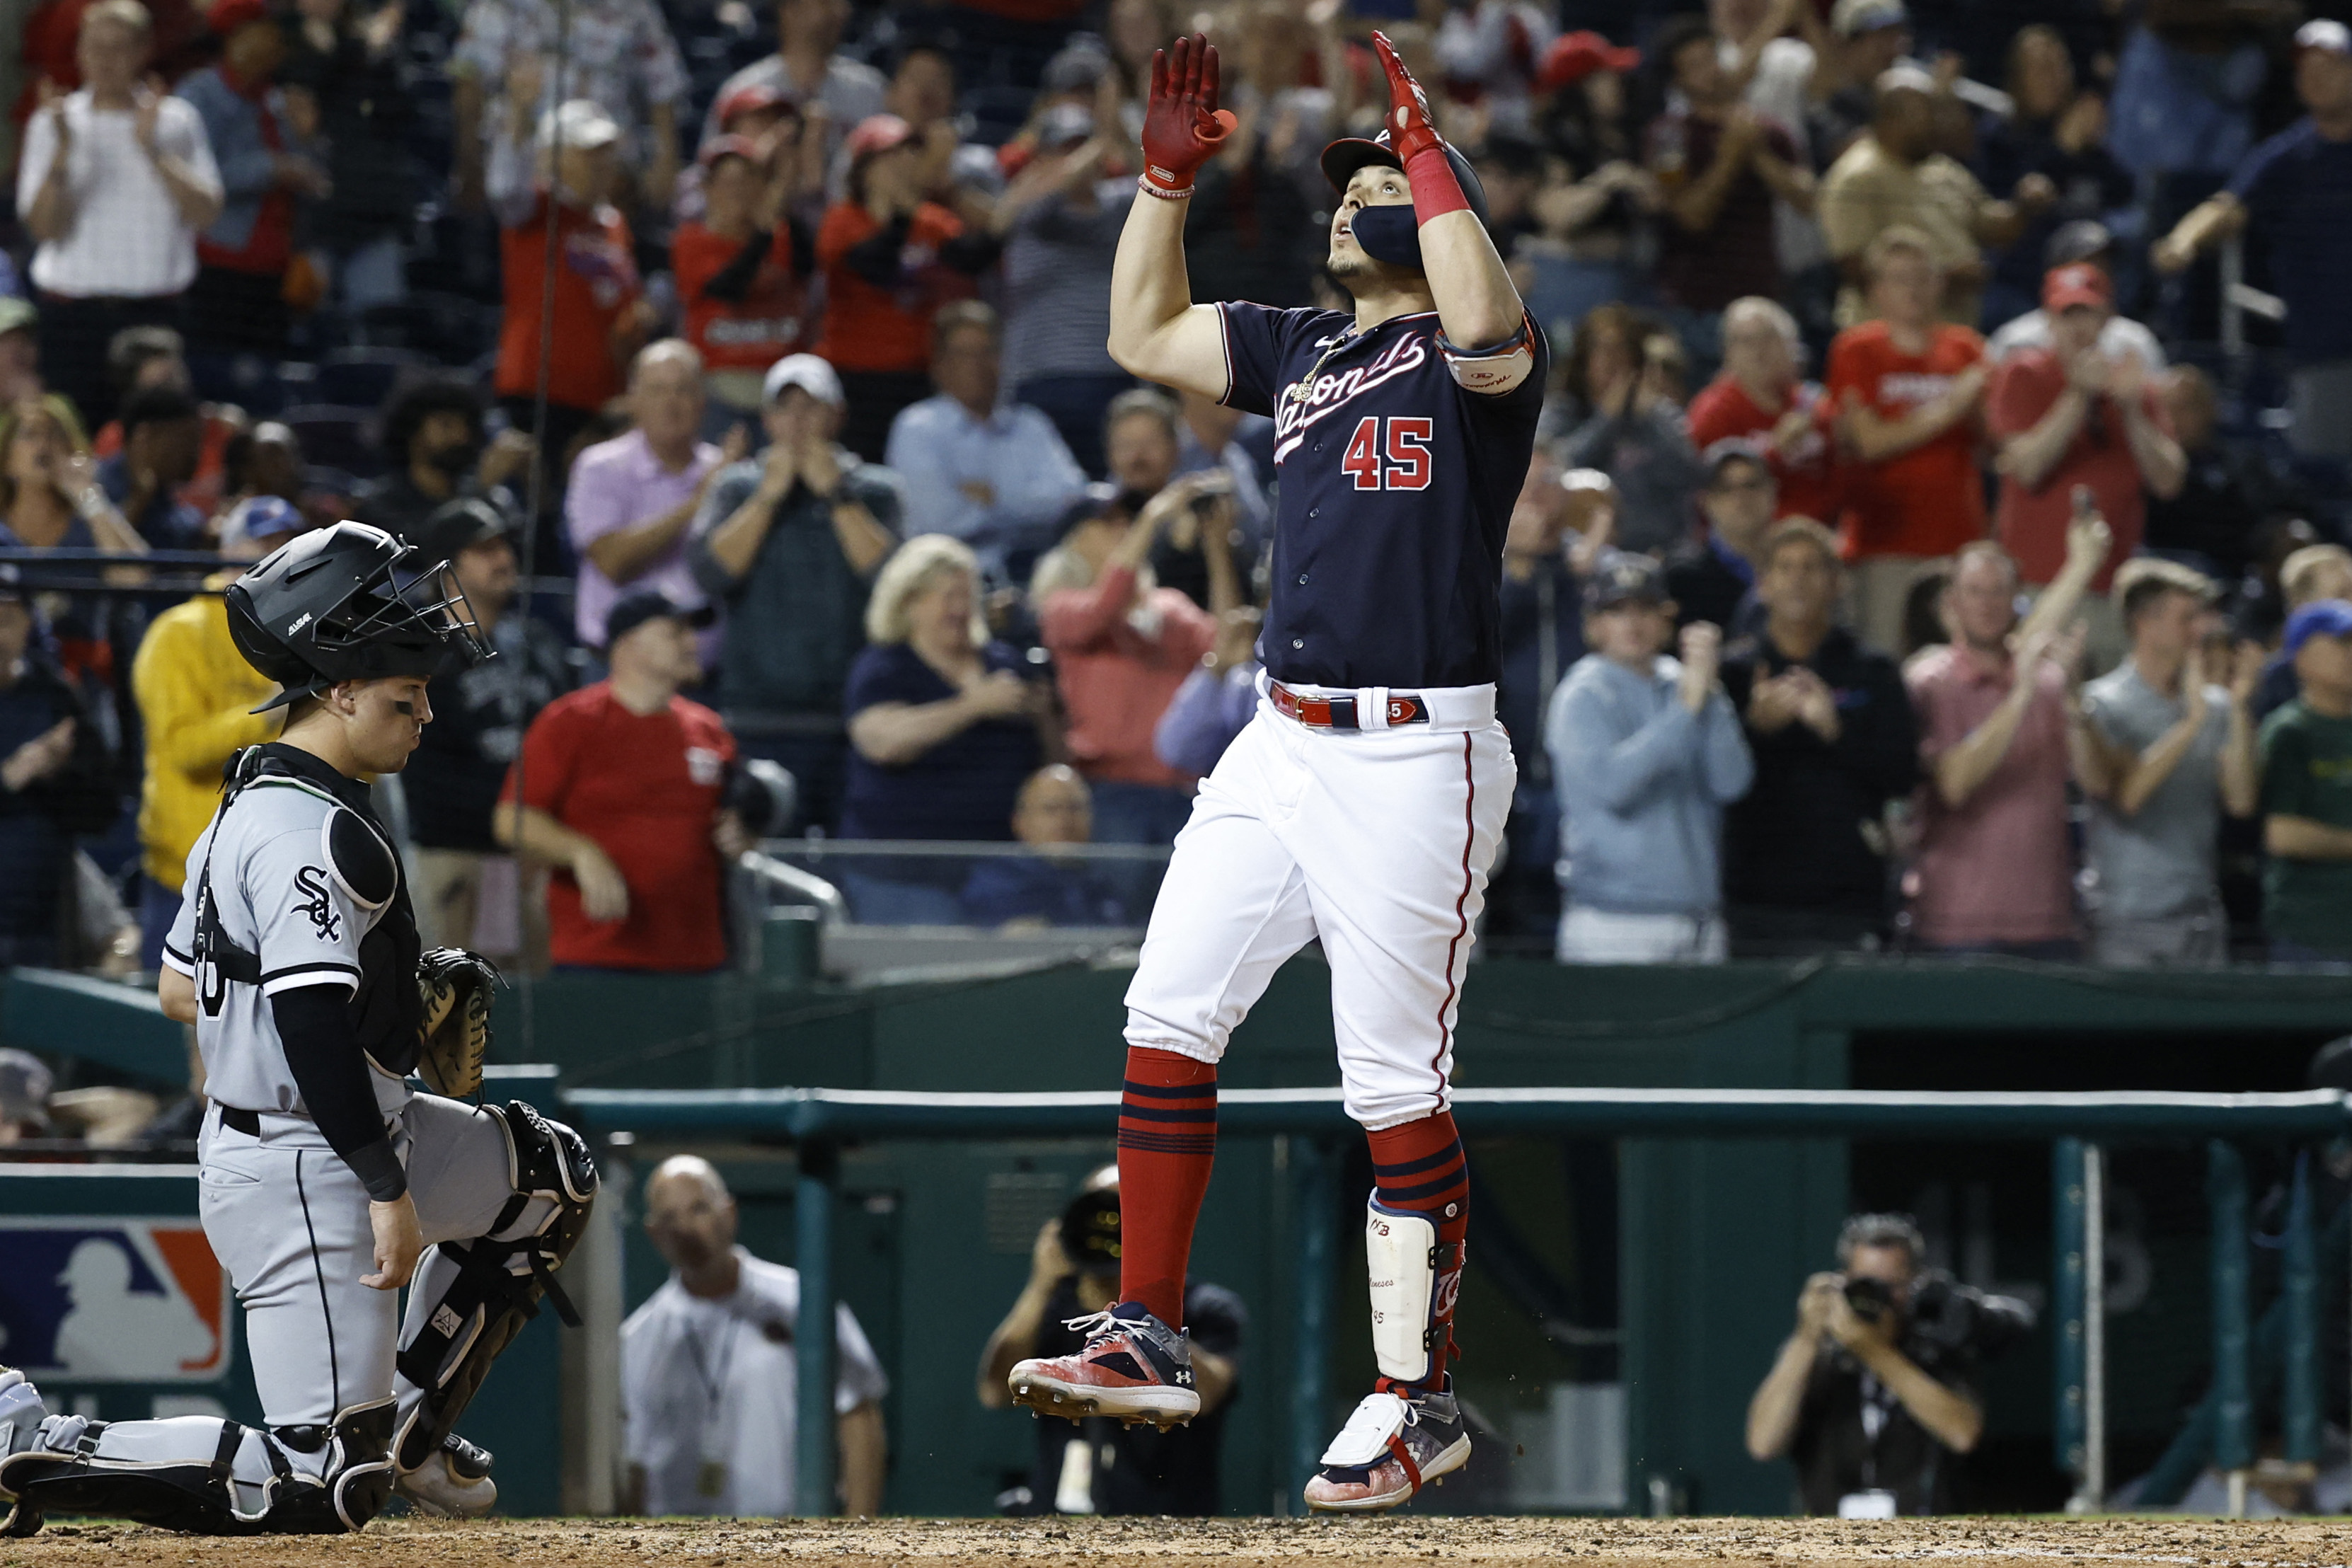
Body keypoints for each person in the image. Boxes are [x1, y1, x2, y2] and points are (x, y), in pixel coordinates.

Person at [1006, 33, 1545, 1514]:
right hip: (1281, 731)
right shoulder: (1305, 344)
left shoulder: (1471, 349)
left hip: (1417, 749)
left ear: (1430, 213)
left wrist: (1426, 160)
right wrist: (1162, 180)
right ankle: (1146, 1327)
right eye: (1348, 181)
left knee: (1390, 1083)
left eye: (1371, 183)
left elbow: (1489, 305)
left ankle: (1416, 1398)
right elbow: (1138, 334)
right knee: (1169, 1009)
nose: (1344, 200)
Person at [0, 521, 596, 1534]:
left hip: (346, 1121)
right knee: (320, 1488)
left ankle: (407, 1427)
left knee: (546, 1182)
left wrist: (383, 1000)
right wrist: (388, 1189)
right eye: (406, 697)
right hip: (312, 1162)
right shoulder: (305, 832)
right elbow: (310, 1020)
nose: (427, 713)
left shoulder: (255, 799)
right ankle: (29, 1443)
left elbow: (180, 989)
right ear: (341, 689)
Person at [691, 353, 901, 836]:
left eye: (813, 408)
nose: (799, 422)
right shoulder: (736, 486)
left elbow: (892, 581)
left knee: (846, 863)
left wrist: (835, 493)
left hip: (849, 719)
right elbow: (712, 573)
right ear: (767, 420)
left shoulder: (876, 490)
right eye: (786, 409)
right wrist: (768, 495)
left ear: (838, 416)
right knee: (762, 860)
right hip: (755, 713)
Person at [496, 589, 745, 974]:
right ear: (629, 645)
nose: (691, 643)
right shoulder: (570, 723)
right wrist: (582, 852)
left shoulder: (709, 730)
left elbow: (733, 823)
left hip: (698, 954)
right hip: (597, 953)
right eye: (674, 633)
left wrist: (740, 833)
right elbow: (512, 818)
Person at [621, 1155, 887, 1518]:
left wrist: (857, 1537)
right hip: (677, 1550)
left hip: (792, 1543)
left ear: (729, 1213)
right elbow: (633, 1468)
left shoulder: (802, 1303)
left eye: (698, 1208)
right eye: (668, 1217)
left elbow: (858, 1414)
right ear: (653, 1233)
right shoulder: (638, 1338)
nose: (684, 1227)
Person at [979, 1170, 1243, 1514]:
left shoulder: (1202, 1306)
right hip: (1059, 1522)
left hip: (1171, 1516)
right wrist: (1040, 1285)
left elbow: (1206, 1394)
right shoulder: (1056, 1306)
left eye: (1128, 1218)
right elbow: (997, 1390)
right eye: (1101, 1216)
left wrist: (1146, 1316)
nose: (1112, 1232)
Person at [17, 0, 223, 430]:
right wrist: (62, 155)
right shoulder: (52, 123)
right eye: (96, 47)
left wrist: (154, 151)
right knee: (75, 442)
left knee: (154, 443)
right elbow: (43, 228)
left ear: (145, 50)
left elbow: (207, 214)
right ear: (79, 52)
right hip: (74, 321)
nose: (106, 60)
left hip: (155, 317)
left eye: (120, 47)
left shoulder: (176, 120)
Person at [1903, 524, 2108, 957]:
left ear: (2017, 601)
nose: (1988, 604)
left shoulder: (2050, 682)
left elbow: (2098, 784)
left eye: (1999, 592)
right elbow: (1955, 785)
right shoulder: (1930, 681)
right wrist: (2019, 696)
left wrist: (2072, 698)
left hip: (2048, 920)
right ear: (1951, 603)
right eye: (1975, 592)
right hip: (1956, 923)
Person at [1745, 1214, 2032, 1516]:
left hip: (1923, 1544)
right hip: (1830, 1545)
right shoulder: (1817, 1356)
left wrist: (1873, 1351)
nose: (1880, 1299)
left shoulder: (1938, 1348)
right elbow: (1763, 1443)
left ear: (1915, 1285)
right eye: (1867, 1285)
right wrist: (1806, 1339)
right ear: (1843, 1281)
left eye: (1893, 1286)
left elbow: (1962, 1434)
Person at [1719, 519, 1918, 955]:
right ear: (1764, 584)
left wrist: (1836, 731)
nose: (1797, 581)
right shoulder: (1730, 675)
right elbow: (1709, 780)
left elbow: (1902, 773)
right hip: (1754, 898)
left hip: (1848, 897)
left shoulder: (1873, 670)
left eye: (1811, 568)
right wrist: (1754, 729)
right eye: (1785, 568)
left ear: (1836, 582)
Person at [2155, 21, 2352, 460]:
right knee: (2329, 490)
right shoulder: (2286, 160)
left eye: (2329, 66)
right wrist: (2184, 240)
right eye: (2306, 69)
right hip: (2325, 358)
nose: (2315, 77)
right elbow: (2226, 208)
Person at [129, 492, 307, 967]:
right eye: (263, 544)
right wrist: (269, 714)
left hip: (278, 876)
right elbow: (185, 750)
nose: (276, 559)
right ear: (228, 551)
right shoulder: (179, 633)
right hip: (187, 879)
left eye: (286, 546)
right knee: (173, 1026)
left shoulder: (300, 637)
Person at [1545, 553, 1752, 963]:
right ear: (1595, 623)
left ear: (1666, 618)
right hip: (1612, 920)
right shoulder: (1583, 695)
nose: (1633, 623)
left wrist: (1708, 696)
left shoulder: (1689, 683)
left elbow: (1733, 781)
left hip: (1698, 916)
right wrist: (1687, 709)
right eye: (1617, 610)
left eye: (1645, 608)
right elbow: (1615, 786)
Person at [838, 536, 1054, 918]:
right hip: (903, 876)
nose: (959, 609)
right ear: (909, 602)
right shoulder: (884, 667)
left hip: (1003, 872)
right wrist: (973, 706)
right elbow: (883, 742)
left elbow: (1052, 759)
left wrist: (1045, 714)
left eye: (966, 596)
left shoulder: (1005, 665)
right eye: (946, 597)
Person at [1988, 265, 2184, 665]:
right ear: (2047, 320)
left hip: (2114, 589)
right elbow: (2027, 467)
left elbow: (2169, 481)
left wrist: (2131, 410)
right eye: (2067, 315)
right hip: (2040, 585)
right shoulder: (2023, 373)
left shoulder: (2133, 385)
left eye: (2087, 314)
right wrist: (2076, 397)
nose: (2077, 328)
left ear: (2108, 318)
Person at [403, 500, 572, 967]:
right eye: (485, 549)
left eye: (505, 547)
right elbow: (421, 763)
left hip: (530, 858)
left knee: (534, 1004)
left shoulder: (539, 645)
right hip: (453, 854)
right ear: (446, 569)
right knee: (443, 1007)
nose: (505, 559)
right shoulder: (416, 649)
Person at [2077, 559, 2261, 967]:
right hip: (2124, 918)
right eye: (2188, 618)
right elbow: (2128, 798)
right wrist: (2190, 724)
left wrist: (2239, 705)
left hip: (2201, 915)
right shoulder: (2103, 703)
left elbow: (2242, 800)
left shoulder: (2216, 706)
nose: (2202, 630)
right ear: (2145, 623)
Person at [1036, 475, 1233, 846]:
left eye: (1127, 520)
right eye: (1107, 522)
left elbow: (1227, 647)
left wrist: (1216, 547)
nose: (1124, 529)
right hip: (1114, 790)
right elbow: (1103, 608)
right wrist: (1153, 520)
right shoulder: (1062, 607)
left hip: (1186, 789)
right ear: (1075, 540)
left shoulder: (1169, 607)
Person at [1823, 226, 1988, 658]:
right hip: (1883, 545)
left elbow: (1992, 442)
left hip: (1958, 540)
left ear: (1940, 284)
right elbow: (1871, 442)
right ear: (1876, 290)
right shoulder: (1855, 350)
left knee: (1961, 663)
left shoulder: (1966, 348)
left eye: (1922, 277)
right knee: (1885, 660)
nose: (1911, 289)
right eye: (1898, 278)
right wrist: (1953, 406)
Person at [813, 115, 996, 463]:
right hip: (856, 378)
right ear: (865, 168)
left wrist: (1010, 209)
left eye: (909, 157)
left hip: (915, 374)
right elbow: (876, 267)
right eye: (890, 158)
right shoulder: (843, 219)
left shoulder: (927, 219)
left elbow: (972, 259)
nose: (902, 167)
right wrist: (904, 212)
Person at [487, 96, 649, 475]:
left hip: (602, 400)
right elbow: (504, 188)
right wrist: (520, 113)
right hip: (541, 390)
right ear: (553, 157)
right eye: (587, 153)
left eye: (606, 153)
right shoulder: (536, 208)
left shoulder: (614, 224)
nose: (601, 164)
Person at [1818, 64, 2046, 330]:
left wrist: (2024, 206)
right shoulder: (1856, 176)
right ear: (1889, 118)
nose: (1935, 122)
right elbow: (1856, 270)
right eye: (1924, 112)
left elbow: (1992, 227)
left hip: (1951, 334)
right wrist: (1945, 281)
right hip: (1885, 340)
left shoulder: (1943, 169)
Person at [174, 0, 325, 358]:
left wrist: (308, 138)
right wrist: (272, 168)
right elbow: (195, 177)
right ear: (237, 38)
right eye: (267, 34)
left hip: (275, 269)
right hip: (217, 265)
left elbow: (316, 178)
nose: (276, 46)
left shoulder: (277, 99)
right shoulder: (199, 94)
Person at [884, 301, 1088, 567]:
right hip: (950, 574)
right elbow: (940, 521)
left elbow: (1073, 501)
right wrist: (1028, 507)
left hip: (1036, 571)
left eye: (987, 352)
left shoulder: (1031, 425)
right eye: (964, 353)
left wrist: (995, 497)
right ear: (940, 364)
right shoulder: (918, 428)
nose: (977, 364)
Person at [1645, 16, 1814, 328]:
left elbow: (1807, 199)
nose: (1711, 71)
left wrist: (1758, 155)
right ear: (1678, 81)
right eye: (1695, 66)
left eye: (1712, 58)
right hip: (1695, 302)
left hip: (1762, 293)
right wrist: (1729, 159)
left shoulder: (1766, 130)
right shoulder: (1668, 138)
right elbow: (1690, 217)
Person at [996, 113, 1138, 478]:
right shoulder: (1029, 205)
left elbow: (1160, 184)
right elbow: (1036, 200)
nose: (1080, 160)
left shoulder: (1118, 204)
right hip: (1040, 380)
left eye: (1083, 148)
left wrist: (1119, 133)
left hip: (1110, 377)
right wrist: (1098, 144)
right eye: (1066, 150)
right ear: (1041, 158)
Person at [567, 340, 730, 655]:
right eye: (657, 390)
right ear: (634, 401)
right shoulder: (600, 467)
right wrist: (698, 504)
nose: (671, 403)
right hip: (616, 668)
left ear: (702, 400)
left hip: (704, 671)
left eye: (683, 390)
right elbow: (613, 562)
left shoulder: (723, 472)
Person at [452, 0, 686, 217]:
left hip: (608, 164)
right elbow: (469, 83)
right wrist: (469, 160)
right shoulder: (498, 6)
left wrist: (666, 162)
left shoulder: (631, 6)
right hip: (525, 162)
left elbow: (663, 84)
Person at [0, 567, 118, 967]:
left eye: (9, 619)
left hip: (43, 922)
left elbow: (101, 808)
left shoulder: (52, 693)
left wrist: (58, 773)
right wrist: (13, 775)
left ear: (29, 624)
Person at [281, 0, 414, 314]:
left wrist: (368, 50)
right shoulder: (284, 42)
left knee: (377, 328)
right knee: (307, 325)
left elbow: (401, 114)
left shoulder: (372, 52)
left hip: (372, 212)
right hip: (312, 215)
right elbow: (302, 125)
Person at [671, 129, 812, 417]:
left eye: (747, 180)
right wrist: (763, 234)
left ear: (763, 186)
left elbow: (811, 268)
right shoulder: (691, 241)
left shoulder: (786, 235)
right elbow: (730, 288)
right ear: (708, 190)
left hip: (782, 390)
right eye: (727, 182)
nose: (737, 191)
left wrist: (787, 195)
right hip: (719, 387)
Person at [1685, 296, 1836, 525]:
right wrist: (1775, 450)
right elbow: (1705, 490)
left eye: (1769, 338)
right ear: (1728, 354)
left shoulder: (1815, 405)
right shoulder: (1713, 412)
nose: (1759, 351)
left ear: (1793, 346)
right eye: (1745, 341)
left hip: (1820, 534)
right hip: (1752, 540)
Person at [2259, 600, 2352, 963]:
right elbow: (2283, 834)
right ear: (2301, 658)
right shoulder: (2290, 733)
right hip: (2312, 928)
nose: (2350, 654)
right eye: (2340, 643)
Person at [699, 0, 885, 168]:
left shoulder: (869, 90)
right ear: (790, 10)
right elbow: (713, 175)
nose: (842, 10)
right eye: (825, 2)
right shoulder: (741, 91)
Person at [352, 377, 532, 546]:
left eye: (467, 426)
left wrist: (539, 492)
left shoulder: (496, 499)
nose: (461, 436)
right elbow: (424, 554)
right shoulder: (380, 504)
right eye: (446, 425)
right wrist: (481, 489)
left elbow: (525, 555)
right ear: (411, 433)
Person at [959, 765, 1129, 929]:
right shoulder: (994, 885)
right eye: (1050, 809)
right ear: (1020, 823)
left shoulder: (1103, 885)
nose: (1064, 821)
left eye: (1075, 808)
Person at [1668, 441, 1778, 638]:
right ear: (1705, 501)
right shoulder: (1683, 577)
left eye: (1751, 485)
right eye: (1725, 489)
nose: (1741, 498)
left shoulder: (1799, 565)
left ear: (1772, 491)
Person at [97, 380, 204, 547]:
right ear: (144, 437)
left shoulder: (170, 506)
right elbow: (97, 553)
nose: (194, 455)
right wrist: (139, 498)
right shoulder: (92, 486)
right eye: (186, 442)